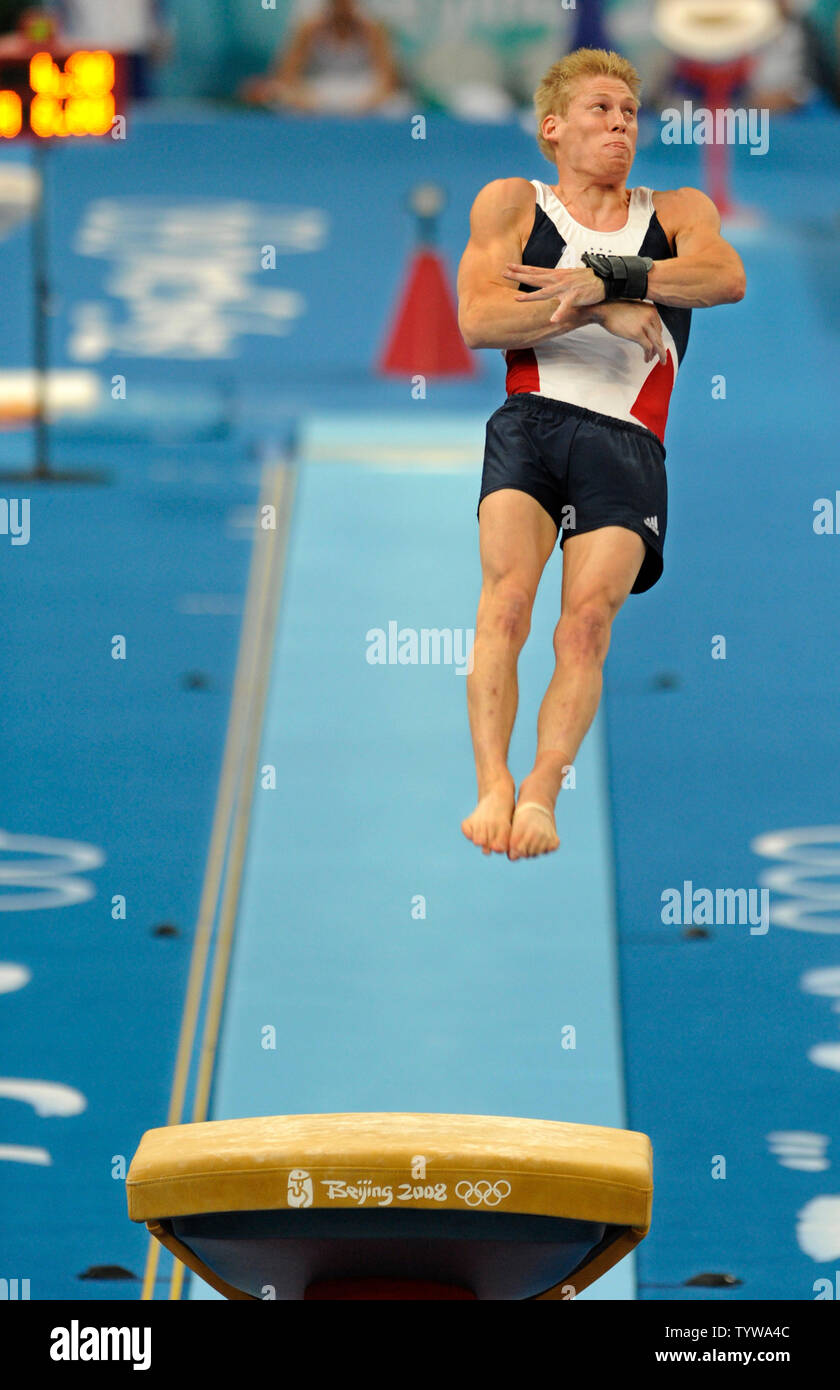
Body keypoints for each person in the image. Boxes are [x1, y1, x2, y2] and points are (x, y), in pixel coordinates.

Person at [457, 47, 746, 861]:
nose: (620, 124)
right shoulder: (516, 202)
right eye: (599, 110)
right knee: (507, 604)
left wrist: (606, 277)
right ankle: (491, 784)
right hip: (531, 423)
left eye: (629, 111)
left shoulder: (676, 209)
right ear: (553, 128)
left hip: (628, 443)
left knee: (583, 626)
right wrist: (594, 312)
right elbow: (479, 322)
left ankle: (542, 791)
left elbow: (724, 277)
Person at [239, 0, 401, 115]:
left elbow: (387, 81)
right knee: (277, 97)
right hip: (319, 93)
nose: (342, 4)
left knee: (396, 107)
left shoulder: (373, 29)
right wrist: (302, 98)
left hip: (362, 93)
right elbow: (286, 76)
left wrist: (369, 102)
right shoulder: (309, 28)